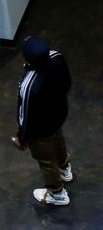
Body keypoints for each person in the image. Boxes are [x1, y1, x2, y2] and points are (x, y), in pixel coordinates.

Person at [11, 36, 73, 206]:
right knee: (59, 141)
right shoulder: (57, 57)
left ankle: (57, 193)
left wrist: (21, 138)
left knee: (46, 161)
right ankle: (64, 168)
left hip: (40, 130)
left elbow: (25, 117)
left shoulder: (29, 84)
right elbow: (67, 83)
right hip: (58, 116)